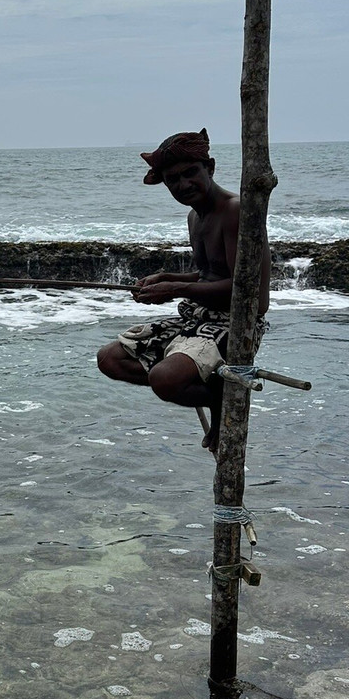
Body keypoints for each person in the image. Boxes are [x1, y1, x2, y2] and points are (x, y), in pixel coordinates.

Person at [96, 128, 269, 454]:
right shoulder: (195, 216)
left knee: (164, 379)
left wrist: (176, 288)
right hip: (197, 317)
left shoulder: (235, 211)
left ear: (211, 167)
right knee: (109, 359)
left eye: (191, 173)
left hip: (236, 324)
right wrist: (167, 276)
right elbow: (209, 273)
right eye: (173, 179)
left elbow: (248, 293)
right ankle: (211, 385)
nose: (183, 184)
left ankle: (225, 398)